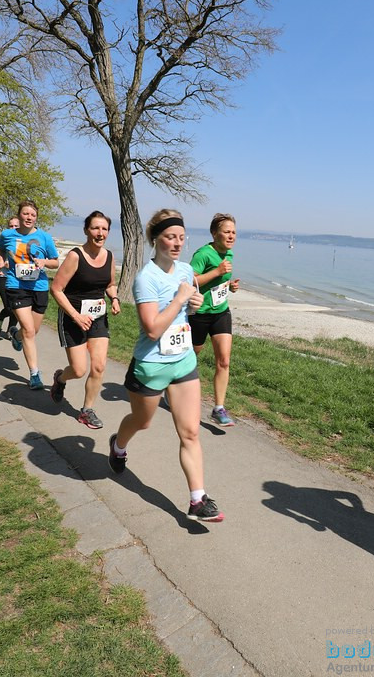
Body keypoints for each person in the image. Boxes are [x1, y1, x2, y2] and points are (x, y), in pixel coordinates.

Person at [109, 209, 223, 523]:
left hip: (184, 360)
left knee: (190, 433)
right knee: (142, 422)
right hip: (151, 365)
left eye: (181, 238)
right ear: (155, 239)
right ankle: (118, 445)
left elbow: (189, 306)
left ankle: (198, 500)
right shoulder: (146, 278)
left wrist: (194, 303)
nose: (176, 244)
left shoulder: (186, 271)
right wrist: (180, 298)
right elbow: (152, 329)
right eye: (170, 237)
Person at [49, 211, 121, 429]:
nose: (100, 233)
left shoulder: (108, 256)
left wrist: (115, 298)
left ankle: (86, 410)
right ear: (86, 230)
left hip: (98, 316)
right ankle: (60, 379)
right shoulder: (75, 256)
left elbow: (109, 284)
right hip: (73, 316)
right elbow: (57, 289)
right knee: (79, 370)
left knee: (98, 366)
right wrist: (76, 316)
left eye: (104, 229)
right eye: (95, 228)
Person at [0, 201, 60, 389]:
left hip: (39, 287)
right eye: (25, 214)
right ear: (19, 215)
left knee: (32, 331)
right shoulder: (7, 235)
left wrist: (44, 262)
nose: (29, 217)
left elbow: (56, 262)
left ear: (36, 217)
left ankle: (16, 335)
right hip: (16, 286)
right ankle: (34, 375)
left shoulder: (44, 237)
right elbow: (0, 252)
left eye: (32, 215)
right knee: (29, 331)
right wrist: (1, 263)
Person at [190, 213, 241, 428]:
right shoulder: (203, 254)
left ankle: (218, 408)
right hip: (199, 313)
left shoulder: (228, 253)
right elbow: (189, 282)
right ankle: (172, 385)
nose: (231, 236)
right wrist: (217, 272)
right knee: (191, 357)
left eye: (234, 232)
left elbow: (219, 283)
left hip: (221, 312)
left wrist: (231, 287)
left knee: (224, 360)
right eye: (227, 232)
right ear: (214, 233)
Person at [0, 216, 21, 339]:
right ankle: (0, 317)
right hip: (4, 275)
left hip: (20, 277)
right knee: (9, 306)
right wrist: (1, 262)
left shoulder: (25, 240)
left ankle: (10, 331)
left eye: (16, 226)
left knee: (17, 306)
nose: (13, 228)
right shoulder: (5, 238)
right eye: (11, 226)